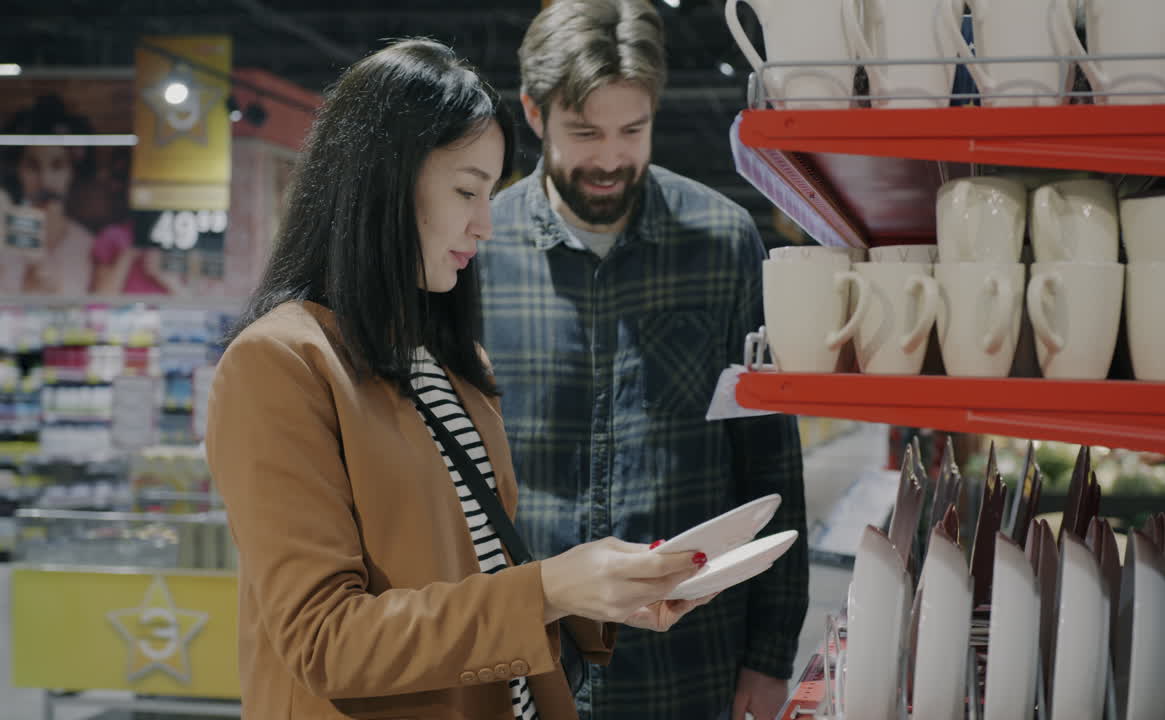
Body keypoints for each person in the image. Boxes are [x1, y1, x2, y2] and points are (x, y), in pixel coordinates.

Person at [205, 38, 715, 720]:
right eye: (467, 190)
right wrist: (549, 588)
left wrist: (599, 594)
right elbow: (326, 642)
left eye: (491, 192)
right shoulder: (279, 365)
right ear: (384, 182)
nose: (485, 223)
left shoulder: (443, 361)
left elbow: (470, 573)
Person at [478, 2, 809, 719]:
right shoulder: (476, 251)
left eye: (632, 131)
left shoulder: (721, 244)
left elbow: (771, 461)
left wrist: (769, 655)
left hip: (687, 663)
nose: (609, 159)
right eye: (585, 132)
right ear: (535, 114)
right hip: (522, 662)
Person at [0, 94, 96, 295]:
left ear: (72, 172)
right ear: (18, 171)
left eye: (57, 166)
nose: (45, 181)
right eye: (32, 167)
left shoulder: (86, 244)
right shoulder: (4, 237)